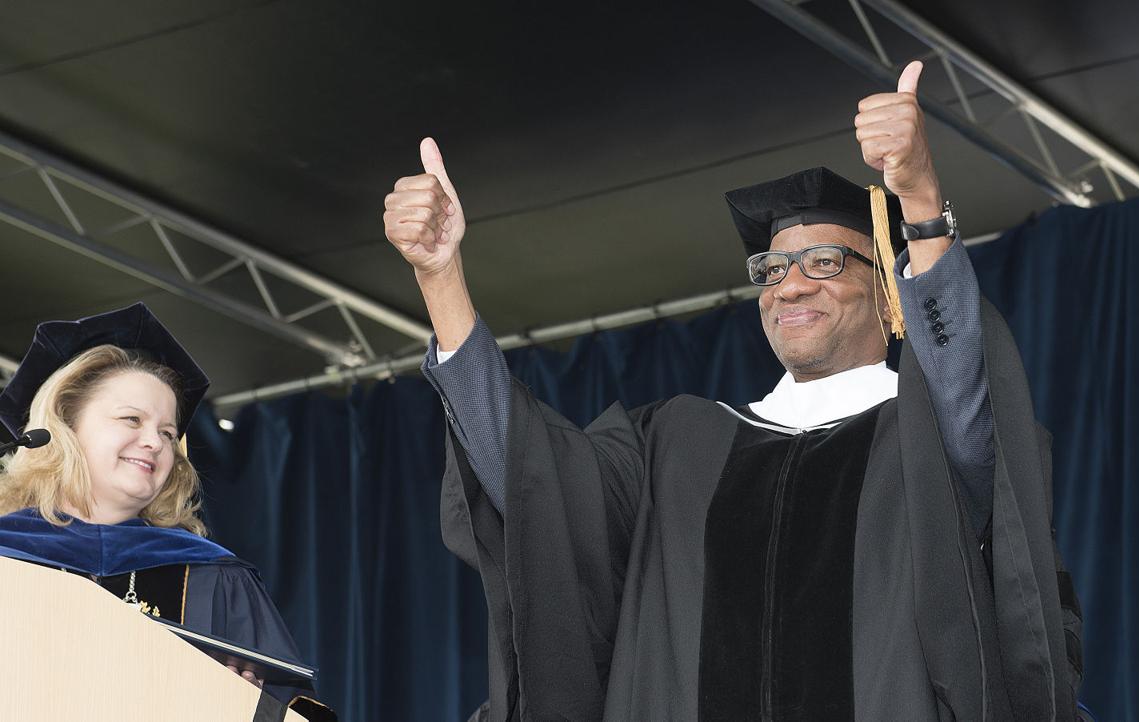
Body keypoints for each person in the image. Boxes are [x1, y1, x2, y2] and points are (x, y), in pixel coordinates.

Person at [383, 61, 1083, 720]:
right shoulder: (677, 447)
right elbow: (529, 477)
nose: (792, 285)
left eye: (824, 260)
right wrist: (440, 278)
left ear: (886, 287)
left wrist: (921, 203)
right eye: (772, 269)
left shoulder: (925, 444)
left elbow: (964, 390)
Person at [0, 302, 335, 721]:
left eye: (167, 433)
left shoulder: (213, 576)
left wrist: (243, 709)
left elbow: (297, 711)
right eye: (131, 419)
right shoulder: (7, 559)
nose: (155, 442)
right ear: (66, 426)